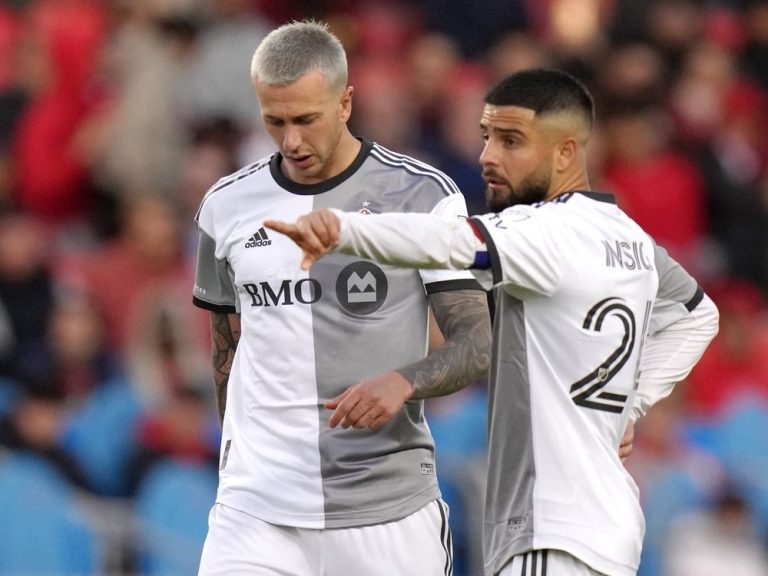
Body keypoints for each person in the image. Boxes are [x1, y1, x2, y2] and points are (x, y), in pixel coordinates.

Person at [265, 68, 720, 576]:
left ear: (566, 152)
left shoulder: (544, 232)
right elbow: (698, 315)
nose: (487, 157)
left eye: (511, 141)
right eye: (486, 138)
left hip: (550, 532)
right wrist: (630, 407)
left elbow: (451, 241)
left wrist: (342, 228)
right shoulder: (629, 238)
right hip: (607, 529)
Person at [191, 20, 492, 576]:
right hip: (257, 511)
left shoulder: (423, 195)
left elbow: (477, 341)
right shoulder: (226, 206)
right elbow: (226, 351)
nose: (292, 141)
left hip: (386, 510)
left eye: (307, 119)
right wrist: (235, 469)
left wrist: (403, 383)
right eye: (275, 121)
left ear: (346, 102)